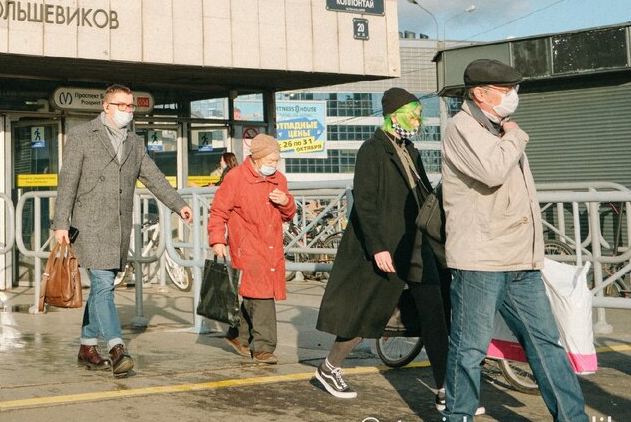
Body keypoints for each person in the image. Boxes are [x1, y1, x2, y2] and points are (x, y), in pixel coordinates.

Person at [441, 59, 628, 422]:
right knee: (469, 347)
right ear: (479, 93)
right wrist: (516, 136)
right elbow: (491, 171)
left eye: (513, 89)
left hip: (520, 260)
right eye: (505, 89)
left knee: (546, 343)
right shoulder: (462, 127)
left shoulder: (496, 129)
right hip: (481, 258)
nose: (513, 97)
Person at [313, 88, 450, 405]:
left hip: (416, 245)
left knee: (435, 314)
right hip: (386, 246)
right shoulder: (372, 151)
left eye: (418, 114)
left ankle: (446, 387)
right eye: (412, 114)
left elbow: (425, 195)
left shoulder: (410, 150)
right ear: (394, 115)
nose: (418, 120)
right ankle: (329, 366)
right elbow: (365, 203)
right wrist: (377, 247)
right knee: (367, 314)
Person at [52, 84, 194, 376]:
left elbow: (155, 178)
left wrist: (178, 205)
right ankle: (117, 349)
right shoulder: (82, 136)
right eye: (122, 106)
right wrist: (60, 224)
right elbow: (67, 182)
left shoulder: (134, 143)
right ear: (106, 107)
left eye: (131, 107)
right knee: (103, 285)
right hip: (88, 225)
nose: (128, 111)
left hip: (118, 228)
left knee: (102, 288)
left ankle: (87, 345)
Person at [207, 133, 294, 365]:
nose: (274, 165)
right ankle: (264, 348)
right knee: (262, 295)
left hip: (272, 245)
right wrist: (217, 239)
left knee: (254, 293)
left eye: (277, 160)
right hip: (247, 245)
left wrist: (286, 202)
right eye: (270, 160)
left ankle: (239, 336)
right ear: (256, 158)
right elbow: (219, 210)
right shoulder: (236, 178)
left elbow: (289, 214)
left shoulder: (280, 180)